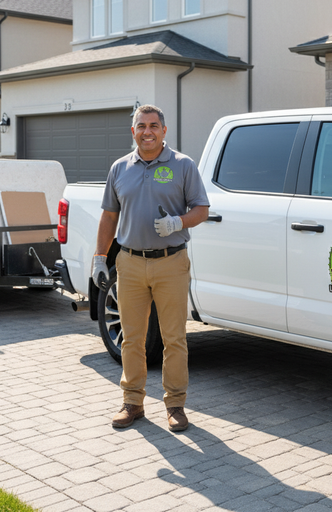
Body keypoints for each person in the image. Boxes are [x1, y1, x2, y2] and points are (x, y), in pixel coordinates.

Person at [91, 104, 209, 432]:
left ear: (164, 131)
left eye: (154, 125)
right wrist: (100, 257)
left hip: (171, 262)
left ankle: (175, 405)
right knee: (132, 337)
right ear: (133, 132)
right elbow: (109, 216)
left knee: (174, 338)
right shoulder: (119, 168)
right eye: (141, 126)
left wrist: (177, 222)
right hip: (128, 263)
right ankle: (132, 402)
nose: (147, 131)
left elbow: (202, 209)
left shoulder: (183, 165)